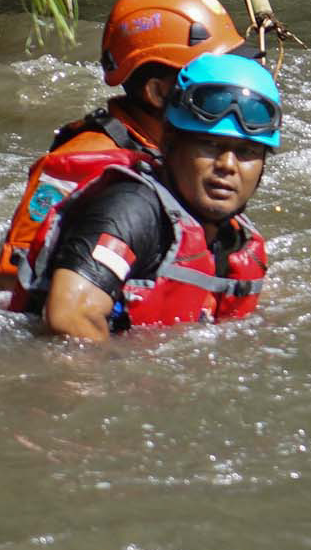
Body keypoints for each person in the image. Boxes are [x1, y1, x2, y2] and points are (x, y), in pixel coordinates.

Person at [0, 0, 244, 306]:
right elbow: (13, 281)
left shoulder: (183, 157)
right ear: (158, 93)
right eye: (210, 82)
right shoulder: (85, 162)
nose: (228, 89)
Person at [25, 50, 280, 340]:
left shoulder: (231, 235)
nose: (228, 165)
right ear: (168, 141)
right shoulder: (130, 209)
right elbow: (69, 316)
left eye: (246, 152)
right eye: (209, 145)